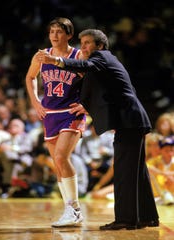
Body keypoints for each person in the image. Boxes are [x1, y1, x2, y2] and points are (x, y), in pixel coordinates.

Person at [36, 28, 159, 230]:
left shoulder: (101, 58)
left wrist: (56, 61)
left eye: (87, 43)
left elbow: (85, 66)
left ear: (100, 46)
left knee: (123, 171)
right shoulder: (105, 64)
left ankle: (126, 220)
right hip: (130, 120)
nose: (82, 46)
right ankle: (147, 217)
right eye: (81, 42)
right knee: (137, 171)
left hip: (129, 121)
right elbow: (117, 90)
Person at [25, 17, 86, 227]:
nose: (54, 36)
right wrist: (35, 102)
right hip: (49, 114)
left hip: (71, 112)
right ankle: (69, 209)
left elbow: (95, 82)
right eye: (51, 32)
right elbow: (30, 77)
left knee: (61, 157)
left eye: (59, 32)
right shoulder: (41, 55)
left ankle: (76, 209)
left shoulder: (78, 55)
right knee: (58, 166)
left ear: (69, 35)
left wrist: (87, 105)